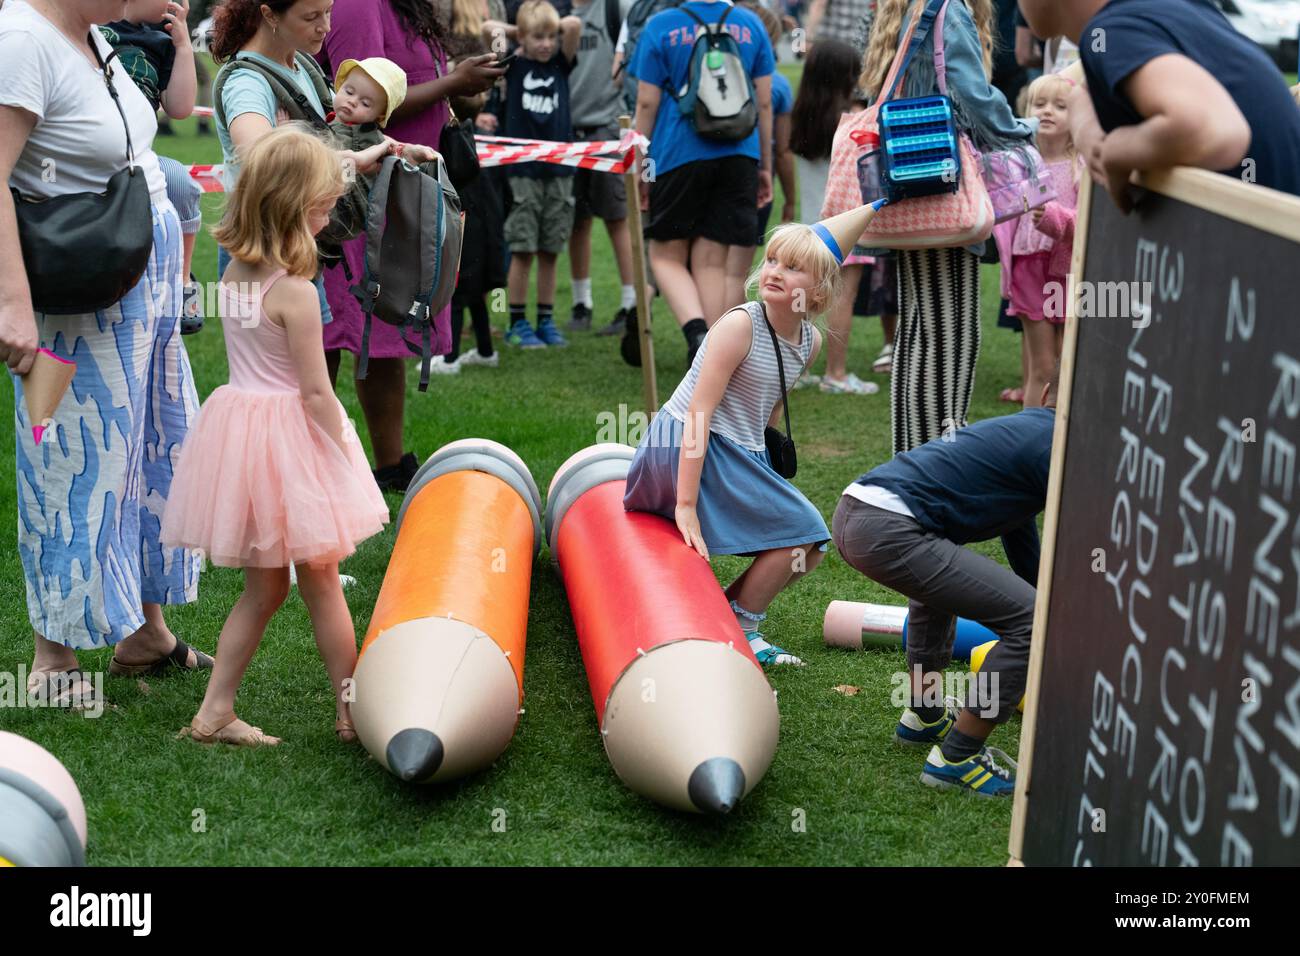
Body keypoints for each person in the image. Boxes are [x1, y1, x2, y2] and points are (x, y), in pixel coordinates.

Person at [0, 0, 204, 708]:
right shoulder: (22, 37)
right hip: (71, 288)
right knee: (69, 464)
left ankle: (144, 630)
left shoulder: (88, 31)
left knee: (149, 449)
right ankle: (52, 658)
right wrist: (11, 303)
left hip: (135, 271)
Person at [163, 126, 389, 747]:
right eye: (320, 208)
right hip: (291, 440)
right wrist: (343, 445)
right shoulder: (294, 291)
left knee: (263, 590)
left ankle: (215, 712)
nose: (327, 217)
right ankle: (350, 710)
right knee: (321, 581)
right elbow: (316, 393)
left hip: (242, 433)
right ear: (292, 208)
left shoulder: (235, 273)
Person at [623, 218, 853, 667]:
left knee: (809, 547)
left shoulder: (810, 340)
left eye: (792, 267)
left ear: (819, 292)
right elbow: (698, 415)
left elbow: (770, 407)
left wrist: (764, 465)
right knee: (801, 533)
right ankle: (743, 627)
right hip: (686, 445)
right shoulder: (739, 326)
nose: (774, 271)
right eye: (771, 260)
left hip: (737, 449)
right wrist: (684, 504)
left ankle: (724, 615)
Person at [831, 372, 1058, 795]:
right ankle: (958, 757)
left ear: (1044, 394)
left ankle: (925, 715)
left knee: (938, 593)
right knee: (1031, 620)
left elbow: (1018, 526)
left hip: (857, 508)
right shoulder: (1058, 445)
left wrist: (1039, 589)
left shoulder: (1027, 431)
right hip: (887, 527)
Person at [321, 0, 506, 489]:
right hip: (361, 197)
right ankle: (319, 466)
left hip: (399, 192)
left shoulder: (407, 9)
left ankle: (389, 464)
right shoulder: (360, 6)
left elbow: (416, 88)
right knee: (337, 333)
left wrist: (465, 93)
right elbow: (361, 101)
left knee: (379, 337)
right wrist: (453, 82)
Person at [858, 0, 1034, 454]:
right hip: (942, 178)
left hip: (910, 178)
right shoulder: (948, 10)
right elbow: (973, 95)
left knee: (919, 328)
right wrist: (1024, 130)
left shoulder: (906, 9)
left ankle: (911, 457)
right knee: (952, 331)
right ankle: (935, 462)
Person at [1018, 0, 1300, 205]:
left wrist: (1114, 150)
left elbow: (1219, 132)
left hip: (1264, 261)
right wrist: (1085, 123)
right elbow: (1084, 93)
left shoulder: (1114, 30)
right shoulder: (1156, 12)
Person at [630, 0, 775, 367]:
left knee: (664, 254)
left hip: (678, 153)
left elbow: (646, 103)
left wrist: (640, 166)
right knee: (711, 263)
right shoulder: (751, 25)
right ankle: (712, 354)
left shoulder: (661, 26)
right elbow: (764, 103)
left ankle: (696, 333)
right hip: (740, 152)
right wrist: (764, 166)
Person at [99, 0, 207, 333]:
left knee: (181, 182)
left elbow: (179, 107)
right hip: (91, 154)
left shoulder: (162, 40)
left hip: (140, 157)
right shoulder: (96, 27)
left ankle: (183, 278)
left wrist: (183, 45)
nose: (180, 2)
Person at [499, 1, 582, 349]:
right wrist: (519, 33)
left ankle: (546, 320)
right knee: (523, 248)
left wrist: (546, 24)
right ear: (523, 37)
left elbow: (575, 24)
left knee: (550, 248)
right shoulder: (514, 65)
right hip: (523, 171)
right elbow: (491, 31)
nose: (546, 44)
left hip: (559, 170)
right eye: (538, 37)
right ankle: (517, 321)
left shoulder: (562, 64)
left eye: (550, 37)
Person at [993, 71, 1077, 409]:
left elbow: (1089, 223)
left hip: (1069, 271)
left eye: (1060, 106)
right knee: (1041, 368)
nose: (1047, 111)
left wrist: (1056, 219)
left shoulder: (1081, 166)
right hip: (1028, 268)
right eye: (1038, 104)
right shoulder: (1020, 162)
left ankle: (1058, 445)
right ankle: (1027, 443)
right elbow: (1003, 222)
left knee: (1065, 367)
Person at [565, 0, 641, 338]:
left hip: (606, 129)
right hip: (566, 131)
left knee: (616, 218)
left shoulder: (614, 9)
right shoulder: (556, 10)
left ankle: (630, 305)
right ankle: (581, 303)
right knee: (576, 221)